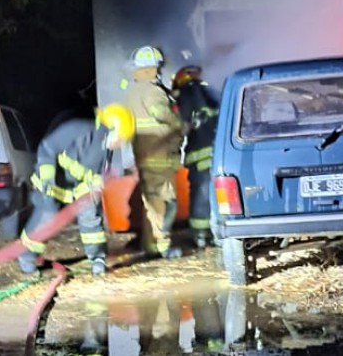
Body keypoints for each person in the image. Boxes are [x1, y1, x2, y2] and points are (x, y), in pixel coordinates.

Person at [18, 103, 136, 276]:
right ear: (111, 126)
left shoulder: (106, 146)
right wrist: (47, 177)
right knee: (47, 219)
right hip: (54, 182)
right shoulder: (79, 128)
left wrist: (96, 183)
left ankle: (97, 258)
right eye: (121, 137)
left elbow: (98, 169)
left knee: (91, 216)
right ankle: (27, 257)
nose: (121, 143)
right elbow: (48, 147)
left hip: (79, 186)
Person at [123, 45, 184, 258]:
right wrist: (179, 123)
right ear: (151, 69)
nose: (159, 72)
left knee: (151, 202)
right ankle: (163, 246)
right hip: (160, 155)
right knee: (166, 204)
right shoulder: (152, 90)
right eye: (157, 68)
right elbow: (160, 112)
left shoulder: (133, 92)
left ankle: (150, 245)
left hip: (145, 155)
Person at [172, 65, 219, 248]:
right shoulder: (213, 92)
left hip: (200, 155)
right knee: (217, 193)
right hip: (219, 153)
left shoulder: (185, 95)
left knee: (201, 193)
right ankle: (217, 232)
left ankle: (200, 234)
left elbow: (182, 126)